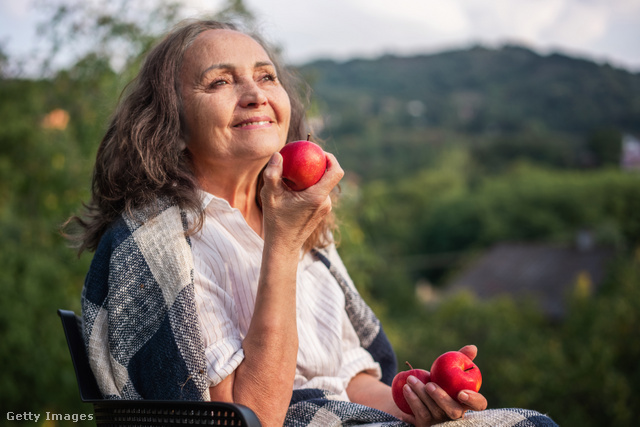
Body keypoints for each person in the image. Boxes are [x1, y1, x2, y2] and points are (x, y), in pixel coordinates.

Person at [67, 19, 557, 427]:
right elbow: (248, 415)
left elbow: (348, 381)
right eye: (219, 81)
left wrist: (417, 405)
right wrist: (282, 244)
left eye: (266, 76)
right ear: (171, 122)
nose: (255, 94)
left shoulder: (291, 213)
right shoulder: (159, 247)